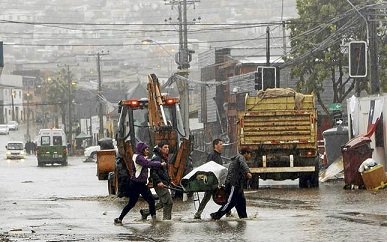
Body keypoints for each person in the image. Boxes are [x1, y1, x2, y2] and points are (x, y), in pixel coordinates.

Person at [114, 142, 166, 225]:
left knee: (149, 201)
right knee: (134, 203)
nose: (147, 151)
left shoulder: (139, 157)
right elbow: (147, 164)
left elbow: (146, 162)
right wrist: (160, 164)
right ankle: (120, 219)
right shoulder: (138, 158)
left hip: (140, 184)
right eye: (146, 149)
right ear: (141, 150)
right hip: (137, 184)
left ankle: (153, 220)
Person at [210, 147, 253, 220]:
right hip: (234, 183)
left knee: (241, 202)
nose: (250, 156)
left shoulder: (237, 159)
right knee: (231, 202)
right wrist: (248, 172)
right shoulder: (240, 157)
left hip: (238, 185)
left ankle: (243, 217)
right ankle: (216, 215)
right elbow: (243, 164)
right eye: (250, 154)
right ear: (246, 153)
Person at [140, 141, 173, 220]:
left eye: (168, 147)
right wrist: (159, 182)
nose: (167, 149)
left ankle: (145, 212)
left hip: (164, 183)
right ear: (160, 148)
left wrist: (169, 180)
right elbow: (153, 173)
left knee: (162, 202)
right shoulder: (157, 158)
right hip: (159, 184)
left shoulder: (163, 157)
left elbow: (163, 172)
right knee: (168, 202)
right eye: (165, 147)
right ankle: (166, 221)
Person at [194, 138, 224, 219]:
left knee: (224, 197)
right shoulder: (212, 155)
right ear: (215, 145)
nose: (222, 146)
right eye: (220, 144)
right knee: (207, 198)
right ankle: (198, 214)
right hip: (212, 182)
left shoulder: (219, 156)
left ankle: (227, 213)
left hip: (217, 181)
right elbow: (209, 168)